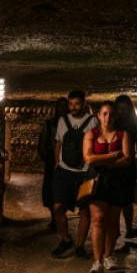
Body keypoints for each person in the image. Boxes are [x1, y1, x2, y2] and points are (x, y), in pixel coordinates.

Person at [83, 101, 132, 273]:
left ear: (115, 116)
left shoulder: (123, 134)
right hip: (97, 182)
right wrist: (114, 155)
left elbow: (127, 159)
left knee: (113, 223)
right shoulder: (90, 134)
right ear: (99, 115)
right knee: (98, 219)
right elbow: (89, 159)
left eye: (111, 114)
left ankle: (108, 256)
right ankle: (97, 262)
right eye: (104, 114)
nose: (107, 117)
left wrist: (103, 160)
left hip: (117, 182)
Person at [50, 90, 98, 259]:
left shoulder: (93, 121)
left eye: (77, 104)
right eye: (70, 104)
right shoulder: (63, 121)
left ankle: (80, 246)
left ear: (84, 104)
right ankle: (65, 239)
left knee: (84, 210)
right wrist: (57, 163)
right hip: (64, 171)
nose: (73, 107)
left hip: (84, 173)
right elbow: (58, 143)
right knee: (58, 207)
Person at [114, 95, 137, 239]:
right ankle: (114, 230)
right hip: (113, 163)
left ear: (130, 109)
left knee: (127, 198)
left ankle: (129, 228)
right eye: (119, 109)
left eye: (124, 109)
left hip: (128, 165)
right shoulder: (112, 122)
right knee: (114, 199)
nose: (122, 112)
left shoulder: (136, 123)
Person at [37, 97, 68, 231]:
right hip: (51, 161)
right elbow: (42, 142)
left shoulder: (72, 124)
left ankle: (59, 217)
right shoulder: (49, 124)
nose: (62, 109)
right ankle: (55, 218)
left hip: (67, 161)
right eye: (60, 106)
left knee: (64, 191)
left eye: (65, 106)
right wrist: (46, 158)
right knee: (50, 190)